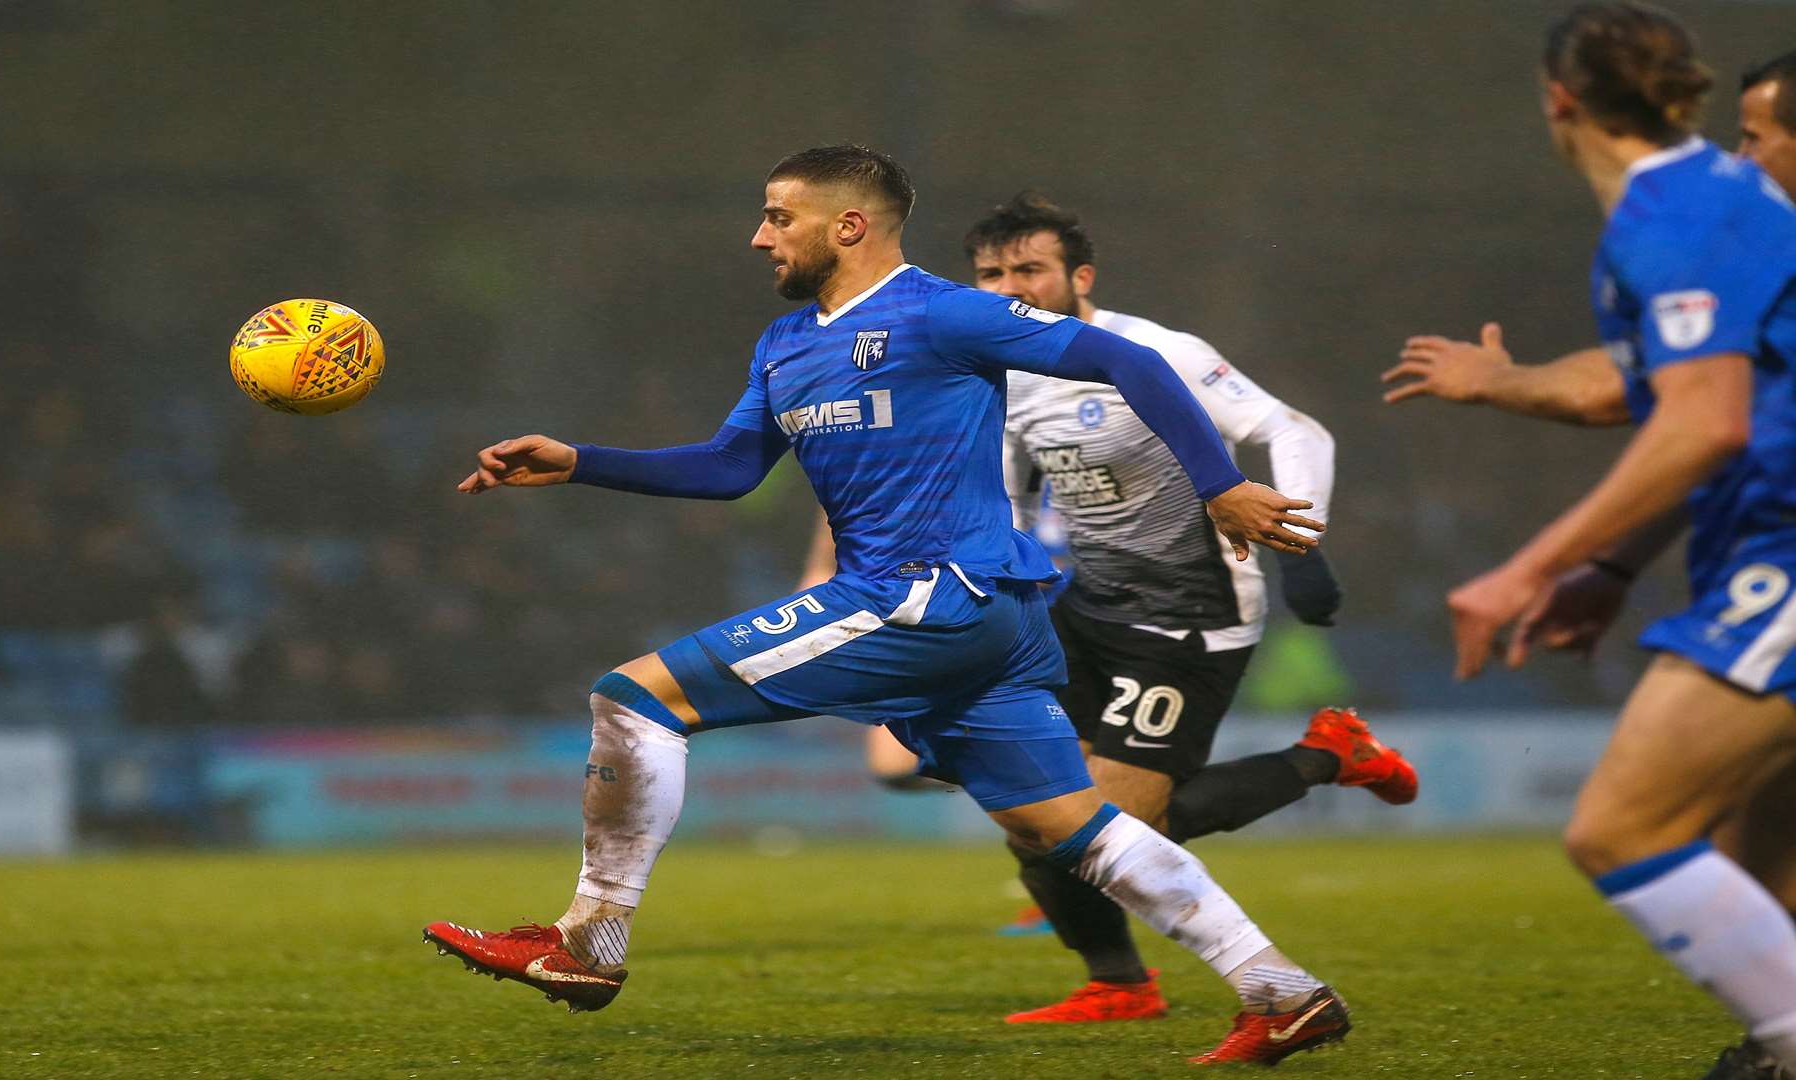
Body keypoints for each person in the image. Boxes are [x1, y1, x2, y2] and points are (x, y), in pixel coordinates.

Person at [423, 144, 1351, 1064]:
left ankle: (589, 943)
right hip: (968, 621)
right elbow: (730, 469)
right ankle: (1281, 991)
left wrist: (1220, 485)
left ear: (849, 224)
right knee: (1063, 826)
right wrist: (583, 461)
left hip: (932, 595)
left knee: (634, 698)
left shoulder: (945, 314)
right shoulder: (786, 344)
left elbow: (1129, 363)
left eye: (778, 216)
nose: (759, 237)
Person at [802, 192, 1419, 1025]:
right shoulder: (1001, 374)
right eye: (991, 274)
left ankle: (1328, 753)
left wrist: (1301, 540)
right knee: (1031, 811)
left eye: (1031, 270)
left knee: (1115, 826)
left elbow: (1297, 430)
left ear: (1079, 275)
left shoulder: (1152, 352)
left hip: (1187, 619)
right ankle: (1119, 986)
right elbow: (1010, 499)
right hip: (1083, 608)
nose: (1009, 288)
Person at [1382, 5, 1796, 1075]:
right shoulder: (1717, 198)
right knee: (1765, 861)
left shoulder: (1676, 217)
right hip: (1756, 542)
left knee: (1624, 829)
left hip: (1786, 557)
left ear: (1559, 99)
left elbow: (1705, 418)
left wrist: (1526, 569)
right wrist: (1609, 562)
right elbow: (1663, 387)